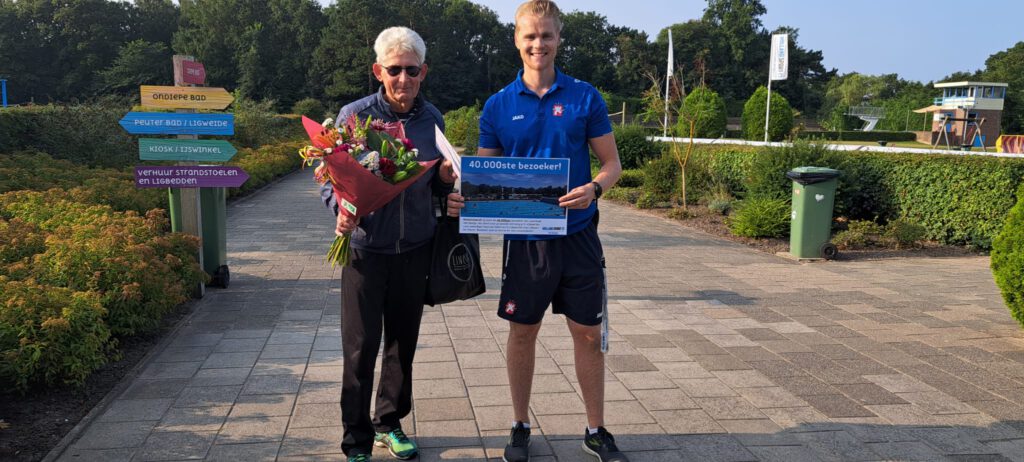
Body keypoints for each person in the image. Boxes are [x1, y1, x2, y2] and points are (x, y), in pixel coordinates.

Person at [445, 1, 626, 461]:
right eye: (530, 36)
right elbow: (485, 171)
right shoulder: (498, 105)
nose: (538, 44)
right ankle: (520, 425)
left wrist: (594, 189)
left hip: (579, 235)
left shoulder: (585, 96)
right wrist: (463, 191)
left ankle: (595, 428)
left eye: (546, 35)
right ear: (516, 40)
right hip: (525, 240)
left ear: (558, 38)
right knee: (523, 332)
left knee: (587, 333)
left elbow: (612, 164)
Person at [322, 26, 455, 462]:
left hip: (415, 247)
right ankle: (356, 438)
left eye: (411, 70)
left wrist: (447, 184)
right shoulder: (354, 116)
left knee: (403, 344)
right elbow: (330, 180)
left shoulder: (432, 118)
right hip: (365, 250)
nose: (403, 79)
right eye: (394, 70)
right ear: (378, 70)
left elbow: (435, 186)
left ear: (423, 72)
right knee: (360, 348)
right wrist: (340, 209)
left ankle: (389, 423)